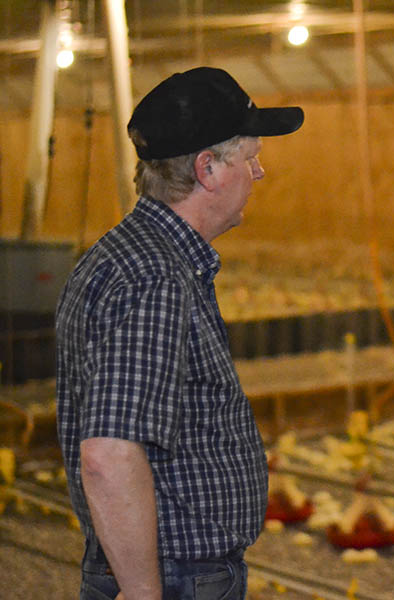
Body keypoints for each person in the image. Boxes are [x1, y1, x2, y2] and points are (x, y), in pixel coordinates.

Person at [56, 67, 304, 600]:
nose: (258, 173)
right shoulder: (157, 276)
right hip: (176, 575)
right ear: (207, 168)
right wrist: (144, 591)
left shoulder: (128, 254)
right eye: (249, 157)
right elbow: (109, 453)